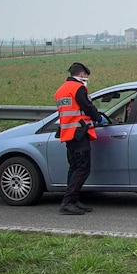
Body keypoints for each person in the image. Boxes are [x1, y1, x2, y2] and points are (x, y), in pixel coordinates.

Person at [54, 62, 107, 215]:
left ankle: (74, 200)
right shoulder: (78, 88)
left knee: (74, 168)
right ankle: (67, 202)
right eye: (86, 76)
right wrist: (98, 118)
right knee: (83, 168)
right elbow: (87, 106)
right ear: (82, 74)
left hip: (68, 134)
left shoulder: (61, 90)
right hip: (79, 133)